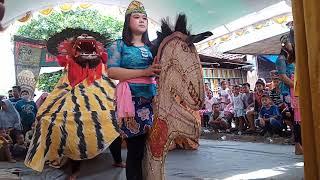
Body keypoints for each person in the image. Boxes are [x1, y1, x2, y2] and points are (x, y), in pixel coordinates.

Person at [106, 1, 161, 179]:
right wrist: (144, 72)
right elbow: (112, 71)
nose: (142, 20)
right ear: (127, 21)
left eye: (144, 18)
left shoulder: (152, 48)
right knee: (135, 151)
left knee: (149, 150)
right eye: (136, 17)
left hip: (153, 101)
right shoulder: (119, 45)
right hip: (132, 101)